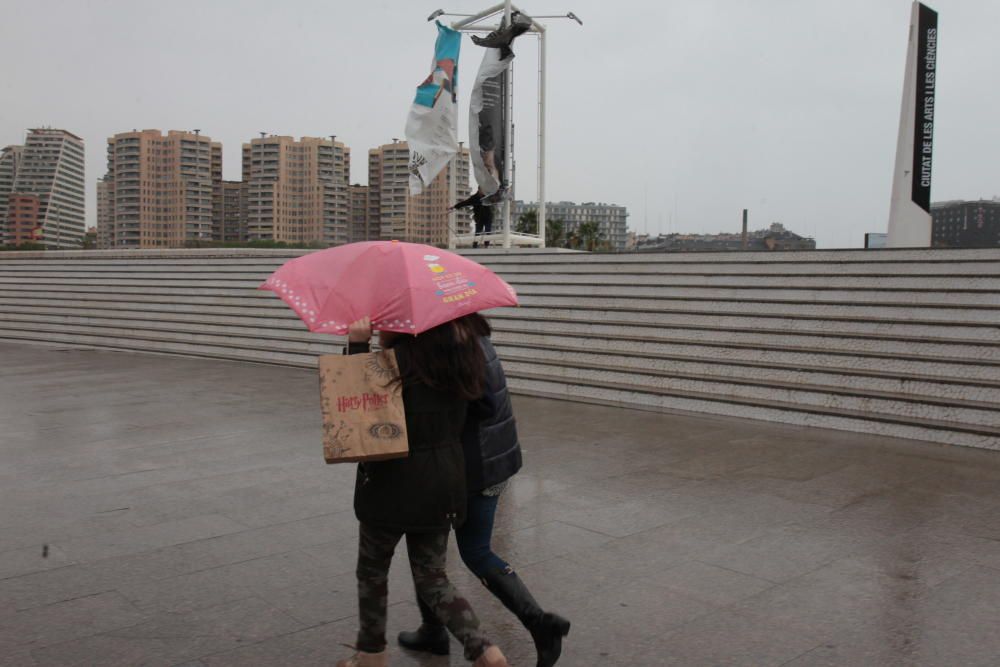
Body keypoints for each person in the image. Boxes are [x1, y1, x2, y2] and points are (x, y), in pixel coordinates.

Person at [397, 314, 571, 667]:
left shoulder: (450, 347)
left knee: (440, 554)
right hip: (494, 460)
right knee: (461, 552)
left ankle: (536, 623)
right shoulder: (472, 333)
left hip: (469, 467)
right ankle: (435, 629)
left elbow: (475, 404)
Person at [337, 315, 510, 667]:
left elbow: (353, 409)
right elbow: (487, 407)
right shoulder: (461, 361)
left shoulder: (392, 364)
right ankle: (484, 650)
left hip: (389, 484)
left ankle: (371, 655)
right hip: (443, 483)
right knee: (432, 577)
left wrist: (357, 345)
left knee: (372, 572)